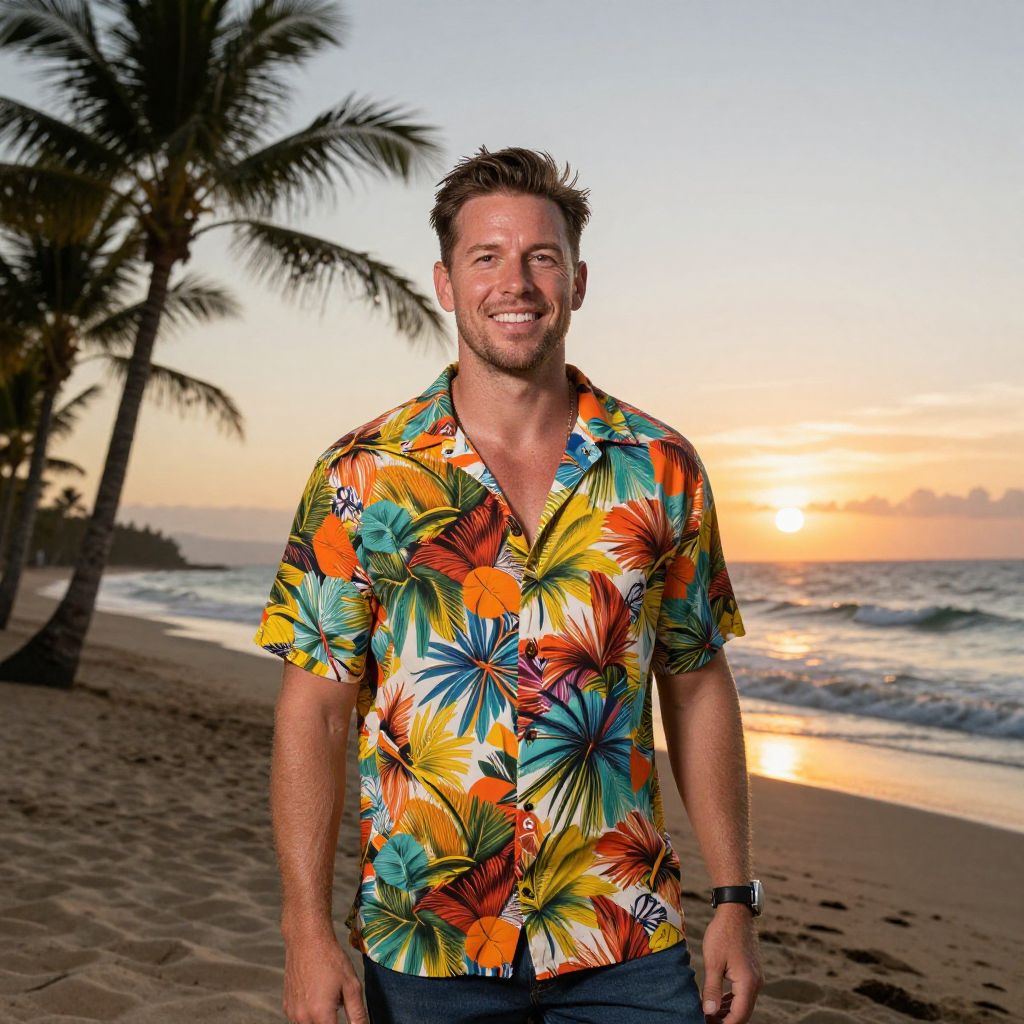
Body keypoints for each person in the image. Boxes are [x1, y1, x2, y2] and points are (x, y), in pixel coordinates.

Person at [254, 146, 765, 1024]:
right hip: (425, 945)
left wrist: (733, 900)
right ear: (446, 284)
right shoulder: (362, 474)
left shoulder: (661, 466)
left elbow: (695, 679)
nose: (515, 282)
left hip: (624, 936)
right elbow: (315, 709)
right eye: (486, 257)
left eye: (541, 256)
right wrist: (305, 927)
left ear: (578, 279)